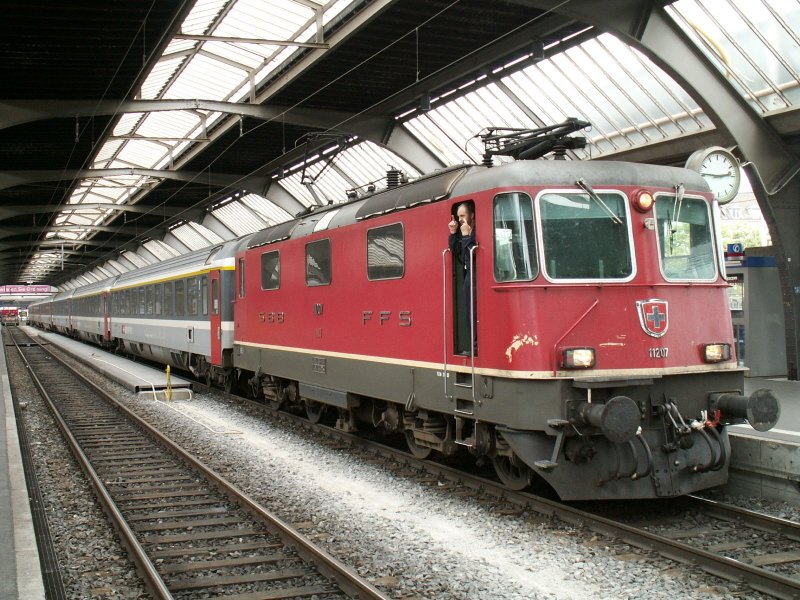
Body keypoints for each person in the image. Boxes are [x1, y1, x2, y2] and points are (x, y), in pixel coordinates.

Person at [448, 202, 477, 353]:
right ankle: (474, 345)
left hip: (476, 275)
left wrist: (466, 236)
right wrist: (454, 233)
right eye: (458, 216)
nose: (460, 220)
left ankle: (476, 347)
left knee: (474, 312)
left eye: (462, 215)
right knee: (469, 313)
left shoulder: (475, 232)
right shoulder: (464, 230)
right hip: (468, 275)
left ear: (472, 215)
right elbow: (456, 251)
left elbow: (471, 256)